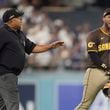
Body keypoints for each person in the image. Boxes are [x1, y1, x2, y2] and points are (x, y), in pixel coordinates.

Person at [0, 8, 64, 110]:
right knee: (13, 106)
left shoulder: (20, 34)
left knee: (3, 106)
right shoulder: (2, 32)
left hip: (9, 75)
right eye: (18, 18)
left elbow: (32, 48)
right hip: (5, 74)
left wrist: (50, 46)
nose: (21, 19)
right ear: (11, 20)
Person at [75, 8, 110, 110]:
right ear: (103, 19)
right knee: (85, 104)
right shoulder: (94, 35)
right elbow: (93, 56)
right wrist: (106, 67)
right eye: (108, 17)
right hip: (96, 72)